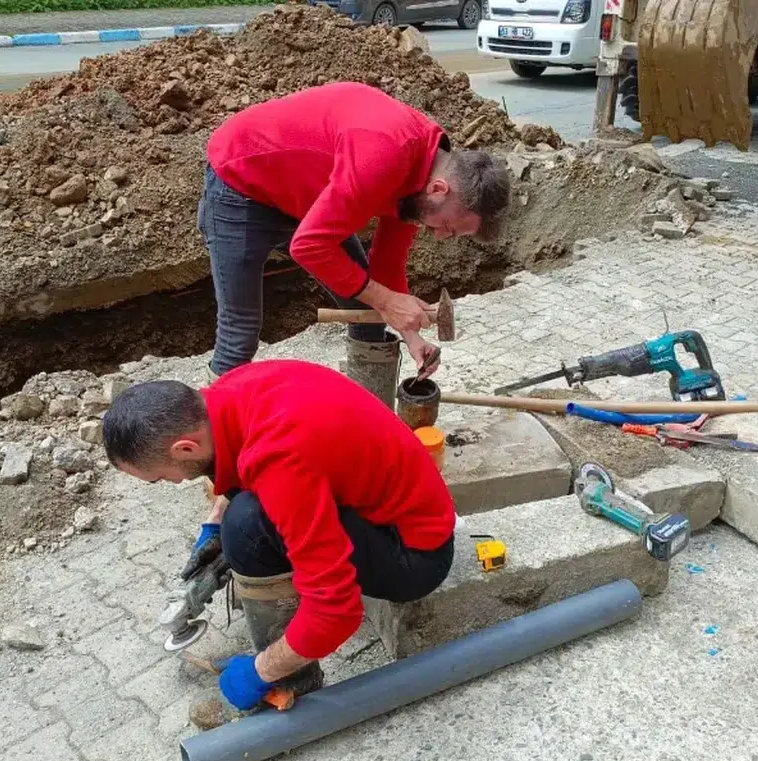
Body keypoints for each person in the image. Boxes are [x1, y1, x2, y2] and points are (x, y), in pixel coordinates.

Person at [101, 359, 457, 712]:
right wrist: (213, 525)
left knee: (246, 526)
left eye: (162, 477)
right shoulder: (230, 393)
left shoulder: (280, 460)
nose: (173, 483)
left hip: (414, 557)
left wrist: (259, 671)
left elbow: (337, 612)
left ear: (185, 448)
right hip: (391, 509)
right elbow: (245, 454)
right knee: (238, 516)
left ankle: (292, 678)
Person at [200, 80, 511, 380]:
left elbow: (387, 265)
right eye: (448, 227)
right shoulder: (383, 156)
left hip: (304, 194)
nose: (442, 235)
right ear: (439, 189)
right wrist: (388, 302)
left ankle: (369, 416)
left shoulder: (420, 181)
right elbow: (308, 246)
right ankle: (214, 422)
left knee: (369, 311)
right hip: (240, 183)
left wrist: (411, 336)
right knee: (240, 333)